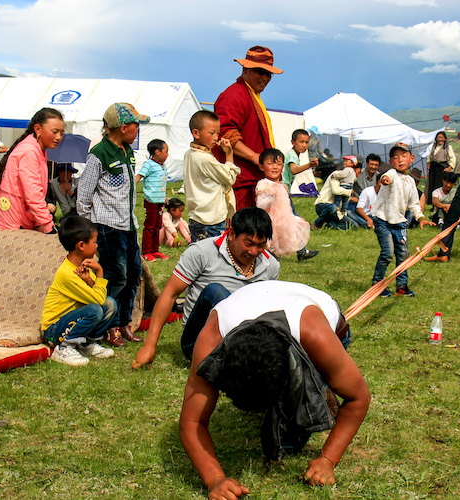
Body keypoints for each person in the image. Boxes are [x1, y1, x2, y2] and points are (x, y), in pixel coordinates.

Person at [179, 281, 370, 499]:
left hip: (323, 325)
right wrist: (215, 480)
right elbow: (191, 421)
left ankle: (321, 381)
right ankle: (322, 386)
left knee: (290, 439)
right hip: (260, 299)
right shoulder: (212, 339)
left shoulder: (316, 336)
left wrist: (327, 460)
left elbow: (359, 398)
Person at [131, 208, 280, 369]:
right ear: (231, 234)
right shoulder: (201, 252)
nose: (253, 251)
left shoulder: (270, 265)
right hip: (198, 341)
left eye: (260, 245)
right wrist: (149, 346)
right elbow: (169, 295)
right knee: (216, 292)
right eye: (248, 244)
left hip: (246, 339)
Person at [77, 102, 150, 346]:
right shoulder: (99, 154)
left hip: (128, 225)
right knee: (115, 276)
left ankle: (123, 323)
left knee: (133, 276)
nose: (138, 129)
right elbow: (84, 195)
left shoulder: (127, 151)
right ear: (123, 127)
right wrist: (90, 231)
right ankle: (107, 326)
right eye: (136, 125)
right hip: (108, 227)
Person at [40, 216, 117, 367]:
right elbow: (97, 300)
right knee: (95, 309)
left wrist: (89, 280)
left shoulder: (82, 267)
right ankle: (64, 348)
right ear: (81, 245)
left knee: (110, 304)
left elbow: (100, 297)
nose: (97, 245)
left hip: (69, 323)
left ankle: (86, 344)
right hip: (53, 330)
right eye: (94, 242)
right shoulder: (67, 274)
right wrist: (100, 271)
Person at [213, 46, 281, 210]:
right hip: (240, 180)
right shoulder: (234, 95)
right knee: (240, 230)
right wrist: (255, 157)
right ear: (245, 69)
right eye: (260, 71)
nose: (265, 77)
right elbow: (226, 134)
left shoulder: (251, 95)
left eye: (268, 73)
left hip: (253, 179)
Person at [371, 143, 434, 297]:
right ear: (391, 161)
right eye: (395, 157)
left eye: (404, 156)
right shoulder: (391, 173)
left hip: (399, 222)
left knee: (403, 254)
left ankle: (401, 286)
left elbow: (414, 203)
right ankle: (377, 285)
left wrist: (420, 218)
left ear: (411, 158)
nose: (400, 160)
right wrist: (384, 179)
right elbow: (387, 177)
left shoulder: (411, 182)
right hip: (383, 220)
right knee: (387, 253)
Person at [0, 108, 63, 233]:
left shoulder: (36, 149)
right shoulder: (29, 151)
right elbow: (33, 194)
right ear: (37, 129)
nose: (58, 137)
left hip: (20, 219)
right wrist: (48, 226)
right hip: (14, 223)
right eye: (55, 132)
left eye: (62, 133)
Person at [183, 110, 240, 243]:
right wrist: (229, 154)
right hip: (211, 220)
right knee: (214, 258)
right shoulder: (204, 158)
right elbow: (230, 177)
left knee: (199, 256)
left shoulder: (190, 154)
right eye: (211, 133)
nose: (216, 137)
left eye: (217, 133)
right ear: (196, 133)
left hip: (197, 217)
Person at [255, 148, 310, 256]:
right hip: (267, 226)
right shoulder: (264, 184)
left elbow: (286, 208)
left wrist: (296, 219)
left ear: (282, 167)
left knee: (276, 257)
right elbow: (260, 205)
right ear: (261, 167)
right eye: (270, 164)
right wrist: (273, 196)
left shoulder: (282, 186)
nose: (275, 167)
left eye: (279, 164)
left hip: (281, 229)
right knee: (265, 256)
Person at [281, 129, 319, 261]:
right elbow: (293, 169)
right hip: (283, 192)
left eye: (307, 142)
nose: (304, 145)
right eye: (301, 142)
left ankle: (301, 251)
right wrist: (309, 165)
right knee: (296, 221)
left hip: (283, 191)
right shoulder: (292, 156)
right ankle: (301, 252)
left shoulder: (293, 154)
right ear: (293, 142)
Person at [136, 138, 168, 262]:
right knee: (149, 226)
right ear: (157, 152)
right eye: (166, 151)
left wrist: (164, 196)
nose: (168, 154)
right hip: (150, 201)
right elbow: (139, 176)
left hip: (160, 201)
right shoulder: (148, 165)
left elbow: (163, 182)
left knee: (157, 226)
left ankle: (155, 250)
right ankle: (147, 252)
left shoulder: (163, 166)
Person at [313, 166, 359, 230]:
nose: (357, 176)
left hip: (336, 212)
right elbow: (336, 190)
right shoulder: (336, 175)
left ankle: (330, 225)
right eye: (357, 173)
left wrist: (343, 215)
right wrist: (349, 192)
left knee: (354, 226)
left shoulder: (349, 184)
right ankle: (316, 223)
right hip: (323, 205)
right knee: (333, 207)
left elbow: (344, 204)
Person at [426, 131, 455, 202]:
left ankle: (440, 201)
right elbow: (430, 156)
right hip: (433, 167)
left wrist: (449, 168)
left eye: (442, 137)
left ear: (445, 139)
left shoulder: (448, 147)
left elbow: (453, 157)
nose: (440, 139)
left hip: (441, 168)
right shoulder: (434, 146)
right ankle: (432, 202)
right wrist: (429, 164)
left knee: (439, 185)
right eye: (438, 137)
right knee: (431, 185)